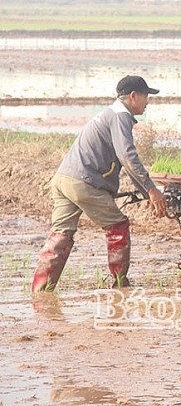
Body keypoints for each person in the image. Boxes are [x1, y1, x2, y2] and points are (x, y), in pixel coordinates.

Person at [31, 75, 167, 291]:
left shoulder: (108, 114)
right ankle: (120, 284)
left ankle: (40, 290)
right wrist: (151, 189)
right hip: (83, 182)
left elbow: (124, 160)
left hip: (63, 179)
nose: (147, 101)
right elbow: (128, 156)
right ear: (133, 96)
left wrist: (146, 192)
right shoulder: (121, 116)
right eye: (146, 96)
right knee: (118, 226)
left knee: (61, 235)